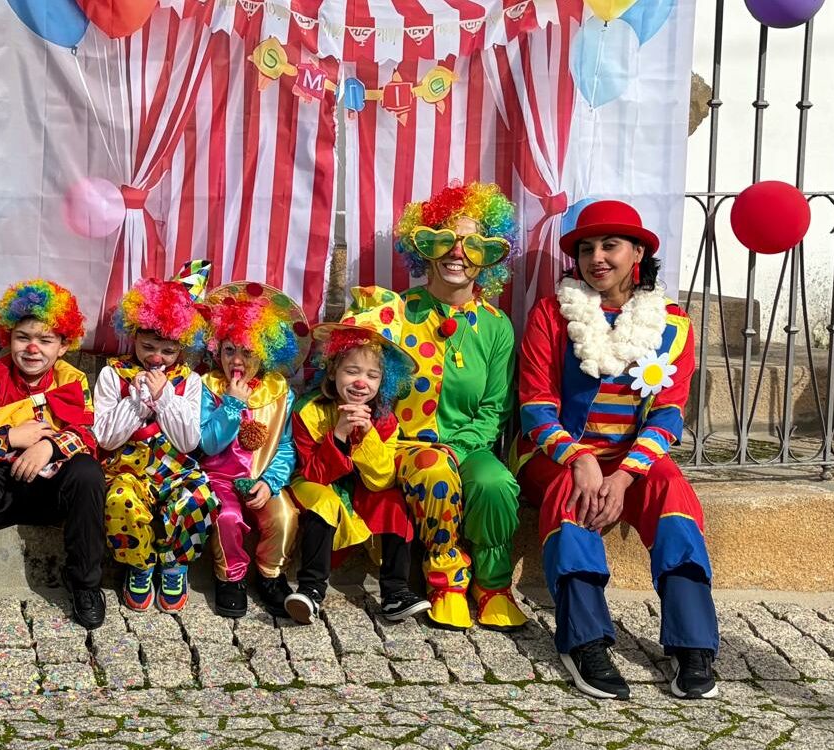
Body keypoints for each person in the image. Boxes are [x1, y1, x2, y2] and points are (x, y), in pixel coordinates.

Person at [517, 199, 718, 701]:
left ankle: (692, 644)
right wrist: (580, 459)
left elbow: (669, 412)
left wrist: (626, 475)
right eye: (586, 248)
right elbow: (536, 405)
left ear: (638, 253)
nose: (597, 258)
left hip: (633, 459)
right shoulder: (551, 314)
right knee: (573, 499)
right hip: (559, 455)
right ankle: (585, 641)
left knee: (675, 501)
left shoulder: (672, 325)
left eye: (610, 245)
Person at [0, 279, 106, 642]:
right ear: (7, 337)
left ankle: (86, 583)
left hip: (50, 493)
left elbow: (89, 434)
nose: (32, 348)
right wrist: (10, 437)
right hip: (0, 490)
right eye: (22, 337)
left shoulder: (73, 380)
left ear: (63, 346)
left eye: (45, 340)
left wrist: (50, 446)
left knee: (89, 472)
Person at [389, 182, 526, 631]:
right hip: (410, 447)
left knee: (494, 483)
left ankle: (493, 587)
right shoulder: (397, 312)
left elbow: (494, 408)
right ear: (424, 247)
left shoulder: (496, 325)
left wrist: (461, 446)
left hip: (468, 447)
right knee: (432, 467)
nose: (457, 254)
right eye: (445, 239)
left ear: (487, 257)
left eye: (472, 244)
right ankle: (447, 580)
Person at [282, 288, 429, 625]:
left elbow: (380, 477)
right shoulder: (310, 410)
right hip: (316, 483)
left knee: (392, 501)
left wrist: (364, 436)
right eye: (352, 371)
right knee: (324, 500)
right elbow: (314, 474)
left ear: (384, 380)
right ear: (333, 370)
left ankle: (395, 591)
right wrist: (340, 434)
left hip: (361, 488)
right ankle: (311, 589)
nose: (361, 382)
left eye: (372, 375)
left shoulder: (385, 419)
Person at [95, 261, 216, 613]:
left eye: (168, 351)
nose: (156, 358)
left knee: (198, 495)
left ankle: (175, 563)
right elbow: (105, 437)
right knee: (119, 500)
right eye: (148, 347)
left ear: (182, 348)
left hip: (174, 467)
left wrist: (164, 399)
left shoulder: (189, 381)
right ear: (133, 336)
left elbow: (188, 441)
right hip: (127, 469)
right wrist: (134, 403)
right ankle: (140, 562)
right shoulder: (112, 375)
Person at [198, 282, 308, 619]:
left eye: (248, 352)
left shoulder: (279, 392)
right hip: (218, 480)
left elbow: (286, 446)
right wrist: (231, 404)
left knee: (285, 515)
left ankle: (269, 575)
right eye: (230, 350)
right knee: (226, 517)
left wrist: (271, 482)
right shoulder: (208, 387)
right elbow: (208, 443)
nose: (237, 361)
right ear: (217, 350)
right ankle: (230, 577)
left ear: (266, 353)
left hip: (261, 478)